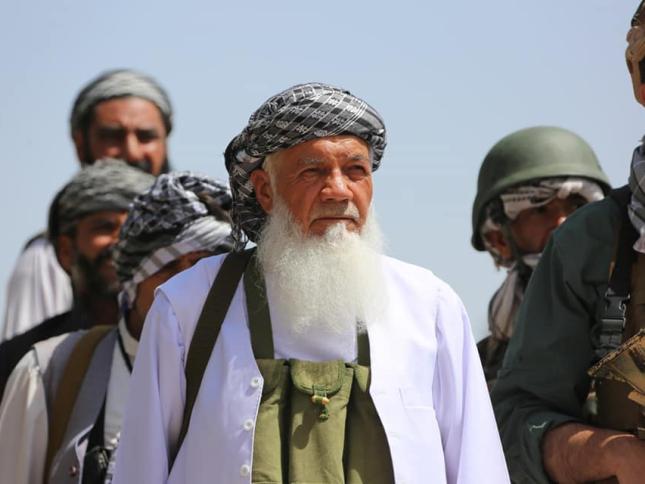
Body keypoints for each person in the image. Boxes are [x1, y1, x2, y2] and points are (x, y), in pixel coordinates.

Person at [112, 82, 509, 484]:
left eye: (355, 171)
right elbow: (140, 471)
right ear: (265, 190)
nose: (338, 191)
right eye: (312, 171)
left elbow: (478, 468)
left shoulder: (430, 307)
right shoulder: (187, 306)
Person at [492, 4, 645, 482]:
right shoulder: (591, 245)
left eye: (570, 203)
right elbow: (516, 423)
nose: (556, 219)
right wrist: (614, 455)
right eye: (536, 209)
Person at [0, 172, 233, 484]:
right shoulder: (48, 371)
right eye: (168, 268)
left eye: (203, 269)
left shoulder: (251, 372)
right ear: (133, 283)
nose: (186, 286)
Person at [3, 69, 174, 341]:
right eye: (112, 136)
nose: (131, 152)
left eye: (145, 136)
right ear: (81, 144)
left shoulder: (191, 247)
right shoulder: (45, 258)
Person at [0, 160, 154, 398]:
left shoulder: (182, 346)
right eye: (105, 227)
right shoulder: (21, 361)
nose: (123, 242)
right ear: (66, 251)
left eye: (137, 228)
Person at [471, 126, 610, 385]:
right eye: (540, 210)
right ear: (500, 239)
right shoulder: (474, 368)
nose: (564, 222)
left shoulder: (630, 323)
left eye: (577, 206)